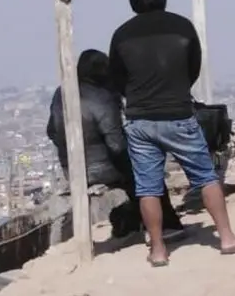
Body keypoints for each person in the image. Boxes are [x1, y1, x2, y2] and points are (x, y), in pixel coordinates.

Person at [109, 0, 235, 266]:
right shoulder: (182, 27)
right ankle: (227, 238)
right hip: (178, 113)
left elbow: (117, 79)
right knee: (205, 177)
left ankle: (157, 250)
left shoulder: (121, 35)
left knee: (148, 188)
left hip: (140, 119)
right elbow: (193, 68)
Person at [46, 49, 186, 241]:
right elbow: (116, 145)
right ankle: (168, 225)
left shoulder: (60, 94)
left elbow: (51, 132)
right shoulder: (102, 97)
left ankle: (134, 220)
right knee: (149, 172)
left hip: (71, 170)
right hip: (101, 168)